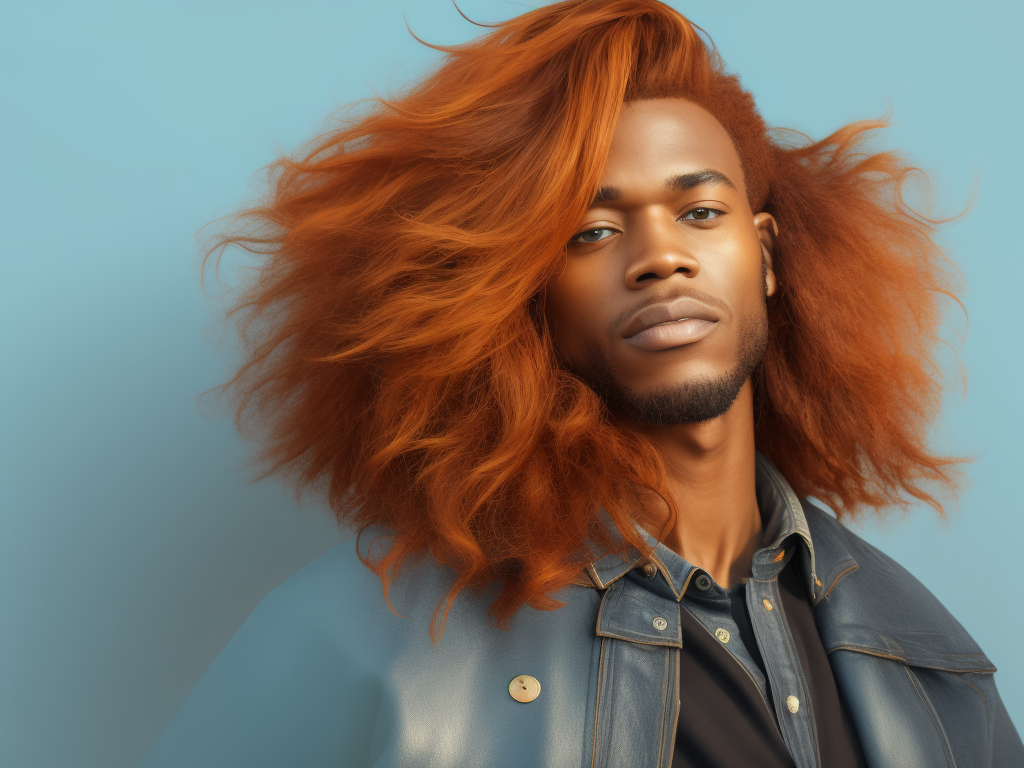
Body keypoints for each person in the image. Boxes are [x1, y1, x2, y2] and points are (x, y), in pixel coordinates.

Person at [140, 1, 1022, 766]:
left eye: (701, 211)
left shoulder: (923, 650)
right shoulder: (363, 632)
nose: (661, 256)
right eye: (592, 232)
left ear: (767, 256)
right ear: (524, 295)